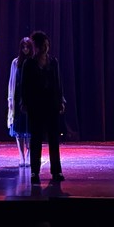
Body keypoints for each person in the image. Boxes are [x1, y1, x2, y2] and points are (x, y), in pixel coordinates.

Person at [21, 30, 66, 185]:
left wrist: (61, 101)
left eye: (48, 44)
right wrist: (24, 102)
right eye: (44, 45)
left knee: (54, 139)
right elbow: (24, 85)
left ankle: (56, 170)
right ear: (38, 46)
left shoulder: (53, 62)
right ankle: (35, 171)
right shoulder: (29, 63)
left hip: (52, 104)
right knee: (36, 140)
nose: (47, 48)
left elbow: (58, 83)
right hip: (36, 105)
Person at [7, 36, 33, 167]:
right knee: (18, 128)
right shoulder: (16, 62)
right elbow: (11, 82)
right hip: (18, 100)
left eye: (28, 47)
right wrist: (10, 100)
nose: (25, 49)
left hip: (31, 100)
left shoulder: (34, 62)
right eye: (23, 47)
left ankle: (28, 155)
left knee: (31, 129)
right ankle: (21, 156)